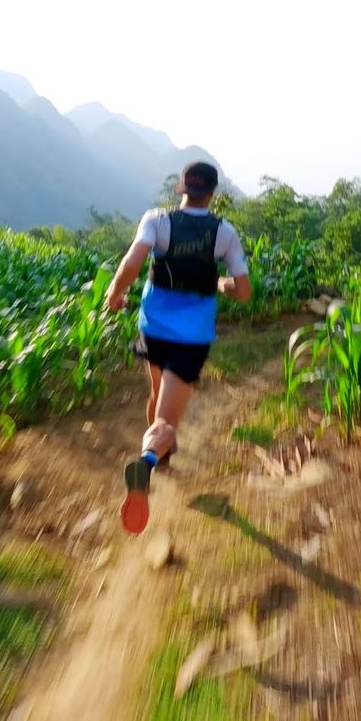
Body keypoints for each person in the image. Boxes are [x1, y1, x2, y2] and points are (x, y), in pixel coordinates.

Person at [105, 161, 251, 534]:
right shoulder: (225, 233)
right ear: (213, 194)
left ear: (181, 189)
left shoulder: (157, 220)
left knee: (157, 392)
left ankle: (164, 456)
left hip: (153, 328)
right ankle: (149, 459)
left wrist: (115, 292)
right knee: (167, 419)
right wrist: (221, 285)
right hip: (191, 337)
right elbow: (244, 291)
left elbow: (134, 260)